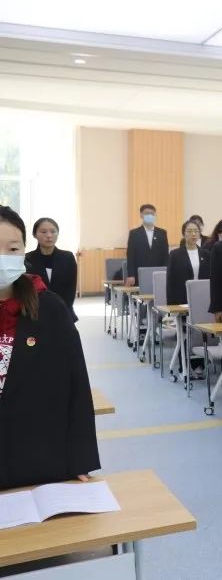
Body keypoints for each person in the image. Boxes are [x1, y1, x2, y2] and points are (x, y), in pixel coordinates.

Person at [0, 205, 100, 490]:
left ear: (24, 252)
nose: (3, 258)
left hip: (37, 455)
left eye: (12, 249)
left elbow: (76, 384)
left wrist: (80, 457)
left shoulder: (51, 309)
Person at [167, 220, 211, 378]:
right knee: (185, 334)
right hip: (182, 300)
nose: (193, 234)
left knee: (201, 334)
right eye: (189, 231)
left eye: (196, 231)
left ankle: (199, 365)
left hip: (202, 300)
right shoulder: (175, 255)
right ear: (183, 234)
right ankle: (184, 367)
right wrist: (172, 306)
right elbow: (171, 281)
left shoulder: (206, 254)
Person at [24, 217, 77, 320]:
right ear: (35, 234)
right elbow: (27, 291)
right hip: (36, 314)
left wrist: (62, 311)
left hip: (63, 313)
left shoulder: (68, 257)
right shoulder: (27, 259)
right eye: (43, 232)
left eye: (53, 231)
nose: (49, 235)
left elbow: (70, 289)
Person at [124, 203, 169, 287]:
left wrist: (166, 272)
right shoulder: (134, 233)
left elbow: (165, 255)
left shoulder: (162, 233)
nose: (150, 216)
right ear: (141, 215)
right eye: (147, 213)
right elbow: (130, 256)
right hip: (139, 274)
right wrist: (131, 275)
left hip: (158, 273)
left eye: (152, 214)